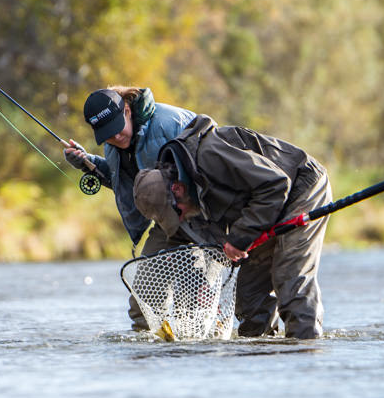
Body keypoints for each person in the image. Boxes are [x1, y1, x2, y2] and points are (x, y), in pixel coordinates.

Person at [132, 114, 332, 339]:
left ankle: (305, 346)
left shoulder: (210, 155)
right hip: (264, 206)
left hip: (301, 187)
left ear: (177, 189)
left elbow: (276, 184)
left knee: (289, 277)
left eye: (177, 213)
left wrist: (238, 238)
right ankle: (263, 350)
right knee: (249, 293)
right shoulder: (186, 192)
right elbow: (195, 242)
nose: (181, 218)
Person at [64, 86, 195, 327]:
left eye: (116, 128)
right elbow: (126, 182)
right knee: (142, 306)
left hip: (202, 218)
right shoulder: (113, 143)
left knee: (193, 306)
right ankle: (149, 345)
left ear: (127, 110)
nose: (114, 137)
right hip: (167, 223)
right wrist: (88, 163)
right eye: (106, 133)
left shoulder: (169, 123)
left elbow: (212, 167)